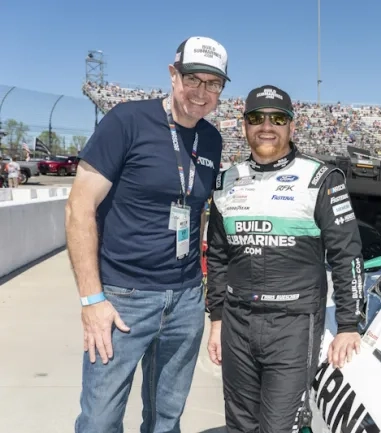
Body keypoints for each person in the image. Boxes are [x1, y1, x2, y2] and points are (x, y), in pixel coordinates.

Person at [66, 36, 229, 432]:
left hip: (186, 299)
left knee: (165, 419)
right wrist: (92, 300)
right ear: (174, 75)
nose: (202, 93)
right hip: (123, 298)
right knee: (100, 420)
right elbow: (78, 208)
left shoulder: (212, 139)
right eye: (194, 79)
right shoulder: (126, 120)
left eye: (214, 84)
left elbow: (196, 211)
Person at [205, 84, 364, 433]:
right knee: (240, 425)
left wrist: (349, 325)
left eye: (278, 118)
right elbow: (217, 256)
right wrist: (216, 318)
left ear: (292, 126)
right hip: (237, 322)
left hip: (293, 325)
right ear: (244, 125)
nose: (267, 126)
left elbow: (346, 254)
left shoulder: (321, 179)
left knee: (279, 428)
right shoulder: (225, 182)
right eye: (256, 118)